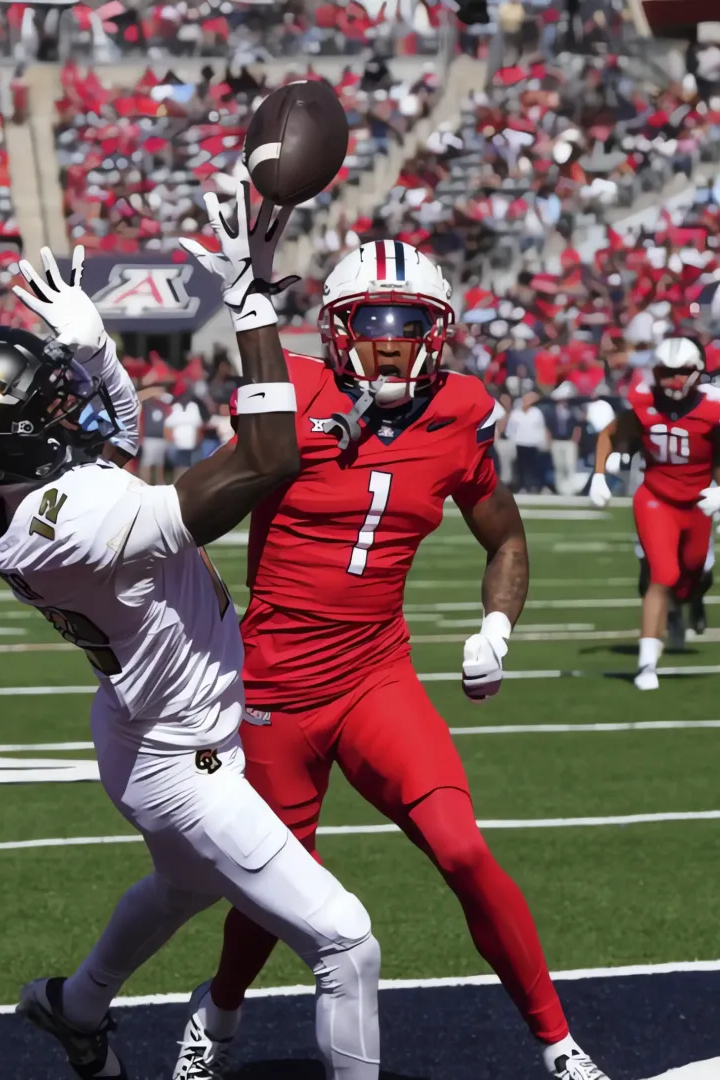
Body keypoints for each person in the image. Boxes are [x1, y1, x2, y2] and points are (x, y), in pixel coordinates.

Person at [173, 238, 609, 1080]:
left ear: (436, 331)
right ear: (339, 330)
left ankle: (559, 1045)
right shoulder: (290, 391)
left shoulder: (458, 412)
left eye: (410, 322)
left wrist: (497, 627)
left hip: (376, 673)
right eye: (371, 321)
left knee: (463, 848)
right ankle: (219, 1012)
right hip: (274, 687)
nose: (391, 340)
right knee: (275, 889)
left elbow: (505, 536)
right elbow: (198, 507)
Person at [0, 224, 382, 1079]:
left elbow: (109, 437)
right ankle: (76, 1007)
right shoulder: (74, 523)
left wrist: (99, 356)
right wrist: (248, 304)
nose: (61, 411)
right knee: (347, 943)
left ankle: (74, 1008)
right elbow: (267, 457)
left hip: (142, 729)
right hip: (184, 757)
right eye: (44, 410)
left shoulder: (2, 497)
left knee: (184, 888)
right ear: (17, 443)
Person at [589, 338, 720, 692]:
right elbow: (609, 434)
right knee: (661, 574)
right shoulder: (644, 401)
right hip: (656, 497)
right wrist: (598, 475)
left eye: (681, 373)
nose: (674, 380)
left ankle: (683, 607)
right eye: (667, 372)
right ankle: (647, 664)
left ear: (697, 373)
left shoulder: (714, 408)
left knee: (693, 574)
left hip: (698, 502)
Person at [504, 389, 551, 493]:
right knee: (521, 467)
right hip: (520, 443)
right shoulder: (516, 414)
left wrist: (543, 442)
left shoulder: (536, 413)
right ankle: (522, 486)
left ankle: (534, 486)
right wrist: (511, 441)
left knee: (533, 467)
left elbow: (541, 428)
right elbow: (510, 429)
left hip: (533, 443)